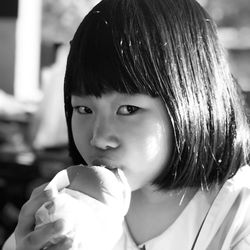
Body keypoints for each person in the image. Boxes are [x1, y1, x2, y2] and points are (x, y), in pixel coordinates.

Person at [4, 0, 250, 249]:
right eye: (83, 109)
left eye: (128, 109)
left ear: (195, 102)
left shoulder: (238, 220)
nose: (98, 138)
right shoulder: (70, 209)